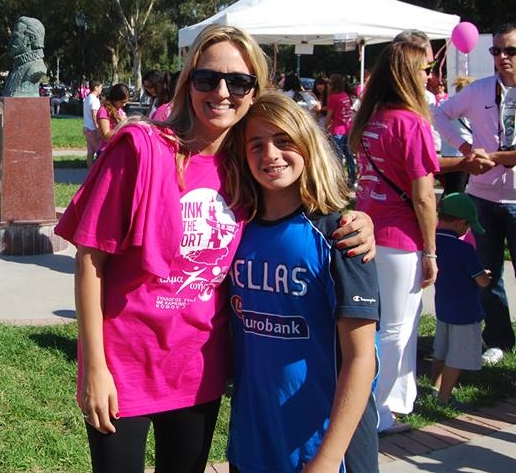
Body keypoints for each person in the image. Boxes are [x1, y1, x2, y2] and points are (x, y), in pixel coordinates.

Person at [55, 24, 376, 473]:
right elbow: (90, 260)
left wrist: (359, 220)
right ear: (190, 83)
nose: (221, 92)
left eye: (238, 82)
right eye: (208, 78)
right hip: (124, 368)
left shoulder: (244, 166)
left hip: (198, 370)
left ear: (253, 91)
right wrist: (94, 367)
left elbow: (300, 209)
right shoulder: (141, 148)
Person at [226, 92, 379, 473]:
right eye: (256, 145)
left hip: (326, 452)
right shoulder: (234, 232)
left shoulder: (342, 236)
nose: (271, 155)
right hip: (253, 445)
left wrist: (327, 459)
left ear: (308, 145)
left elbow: (362, 358)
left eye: (283, 141)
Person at [349, 38, 439, 433]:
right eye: (426, 68)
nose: (430, 76)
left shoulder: (372, 117)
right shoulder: (412, 123)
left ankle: (395, 400)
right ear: (408, 74)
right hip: (401, 238)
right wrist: (432, 251)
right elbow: (423, 197)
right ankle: (377, 411)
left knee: (383, 322)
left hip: (368, 229)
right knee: (396, 330)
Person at [433, 22, 516, 365]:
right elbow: (440, 114)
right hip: (482, 197)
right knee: (487, 272)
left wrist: (491, 157)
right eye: (496, 50)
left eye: (510, 50)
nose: (502, 57)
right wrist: (467, 149)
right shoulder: (481, 90)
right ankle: (498, 339)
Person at [431, 193, 492, 409]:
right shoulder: (465, 249)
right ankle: (444, 399)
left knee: (441, 351)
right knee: (456, 357)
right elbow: (482, 282)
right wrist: (485, 275)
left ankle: (434, 386)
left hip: (443, 308)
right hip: (465, 312)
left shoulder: (432, 242)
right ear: (459, 222)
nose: (468, 230)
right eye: (468, 225)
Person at [325, 73, 357, 185]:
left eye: (329, 83)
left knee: (337, 157)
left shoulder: (333, 97)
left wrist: (324, 128)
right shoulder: (345, 95)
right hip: (348, 129)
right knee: (349, 156)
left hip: (337, 130)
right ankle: (352, 178)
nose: (328, 85)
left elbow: (329, 115)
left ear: (333, 85)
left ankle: (339, 181)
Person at [95, 83, 130, 155]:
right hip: (106, 152)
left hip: (117, 150)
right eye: (122, 102)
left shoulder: (119, 110)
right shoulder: (103, 111)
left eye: (126, 102)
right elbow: (106, 135)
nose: (124, 105)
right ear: (115, 99)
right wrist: (124, 128)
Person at [81, 80, 103, 168]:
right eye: (100, 87)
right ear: (96, 87)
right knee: (100, 151)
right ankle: (99, 171)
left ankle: (90, 172)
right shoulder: (94, 100)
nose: (101, 89)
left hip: (87, 127)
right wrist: (98, 129)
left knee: (90, 152)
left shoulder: (87, 98)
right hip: (93, 129)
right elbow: (95, 115)